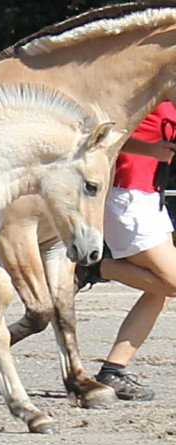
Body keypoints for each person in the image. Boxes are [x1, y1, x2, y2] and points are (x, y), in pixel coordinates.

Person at [77, 101, 176, 401]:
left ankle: (114, 369)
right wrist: (153, 150)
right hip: (127, 196)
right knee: (172, 283)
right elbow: (105, 137)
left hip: (149, 199)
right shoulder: (149, 94)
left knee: (158, 292)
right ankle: (94, 269)